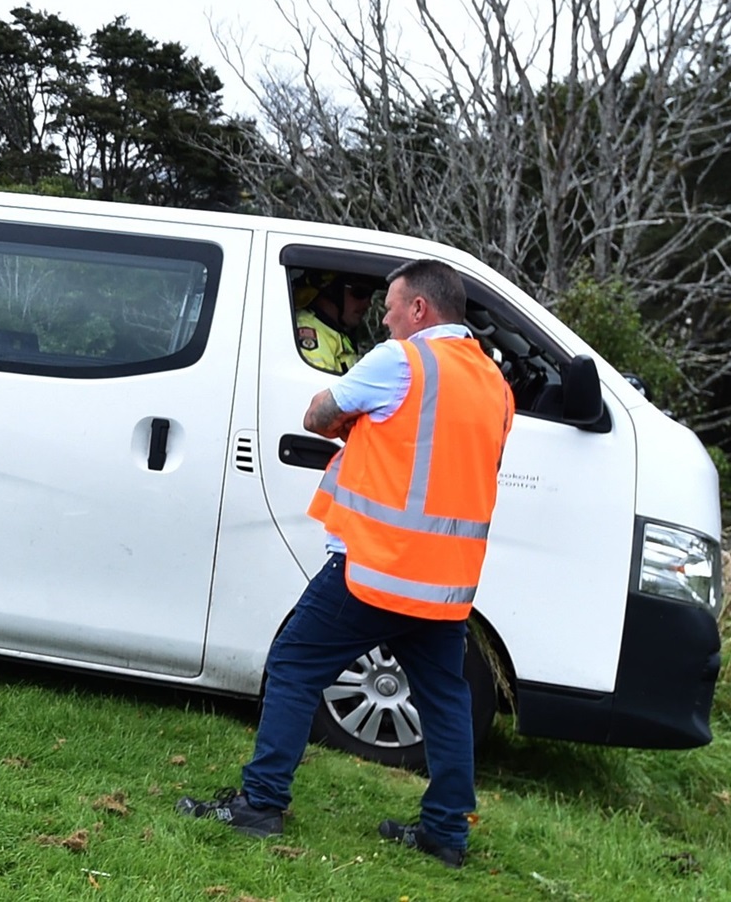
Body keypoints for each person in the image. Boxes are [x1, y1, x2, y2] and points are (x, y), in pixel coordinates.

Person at [182, 258, 516, 868]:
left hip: (375, 567)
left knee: (293, 663)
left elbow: (317, 414)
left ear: (419, 310)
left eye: (390, 307)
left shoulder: (401, 361)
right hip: (445, 582)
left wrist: (350, 423)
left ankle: (261, 803)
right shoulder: (495, 386)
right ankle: (445, 835)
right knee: (444, 699)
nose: (383, 318)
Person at [293, 271, 374, 375]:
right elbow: (319, 385)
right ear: (332, 292)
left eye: (370, 295)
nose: (368, 303)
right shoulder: (308, 331)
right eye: (360, 293)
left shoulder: (334, 331)